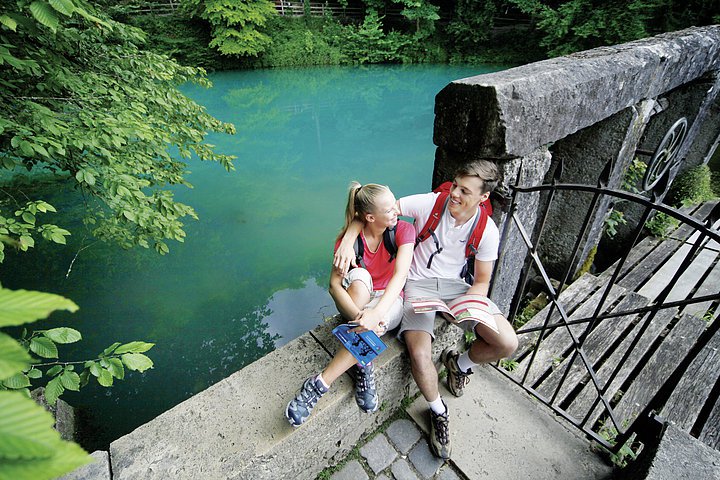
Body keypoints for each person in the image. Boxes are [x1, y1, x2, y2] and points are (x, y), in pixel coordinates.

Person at [334, 160, 518, 459]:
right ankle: (438, 411)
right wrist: (348, 240)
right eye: (455, 185)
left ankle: (460, 365)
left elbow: (482, 281)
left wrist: (467, 306)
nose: (455, 194)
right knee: (419, 354)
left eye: (465, 191)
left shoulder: (487, 231)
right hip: (416, 287)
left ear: (483, 198)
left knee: (507, 342)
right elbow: (373, 210)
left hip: (457, 288)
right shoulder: (430, 204)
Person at [285, 181, 415, 427]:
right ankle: (362, 360)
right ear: (369, 216)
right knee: (360, 278)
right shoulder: (348, 243)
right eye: (388, 210)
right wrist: (361, 317)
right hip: (359, 298)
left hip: (390, 298)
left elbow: (400, 276)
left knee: (378, 321)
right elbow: (334, 286)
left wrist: (375, 314)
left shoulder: (403, 230)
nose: (396, 210)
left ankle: (320, 383)